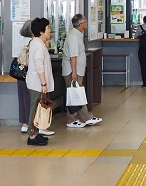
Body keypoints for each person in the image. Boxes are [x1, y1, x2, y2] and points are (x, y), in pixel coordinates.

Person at [62, 13, 102, 127]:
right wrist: (74, 72)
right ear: (80, 24)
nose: (86, 22)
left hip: (76, 70)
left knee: (75, 94)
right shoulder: (74, 37)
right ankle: (84, 118)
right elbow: (73, 56)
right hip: (72, 71)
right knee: (76, 94)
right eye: (85, 21)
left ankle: (74, 119)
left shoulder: (77, 34)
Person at [26, 17, 55, 146]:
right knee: (35, 110)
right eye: (48, 28)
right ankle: (31, 136)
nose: (50, 30)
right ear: (41, 31)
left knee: (38, 110)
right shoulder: (38, 45)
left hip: (38, 83)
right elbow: (39, 65)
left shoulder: (39, 43)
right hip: (36, 84)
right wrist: (43, 84)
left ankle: (36, 134)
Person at [17, 19, 32, 134]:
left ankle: (24, 123)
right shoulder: (32, 42)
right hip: (30, 73)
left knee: (22, 98)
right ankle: (30, 122)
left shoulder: (20, 41)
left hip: (20, 73)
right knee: (30, 99)